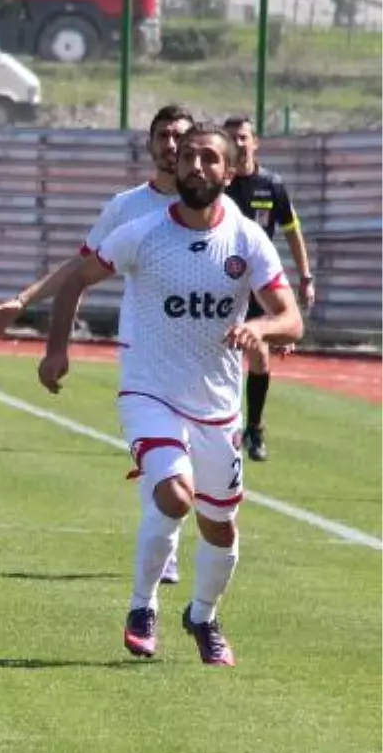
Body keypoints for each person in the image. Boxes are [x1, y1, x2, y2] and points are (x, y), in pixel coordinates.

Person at [38, 123, 304, 666]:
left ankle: (202, 616)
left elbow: (291, 318)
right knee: (173, 495)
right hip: (149, 390)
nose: (196, 166)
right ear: (175, 167)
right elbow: (75, 280)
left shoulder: (247, 240)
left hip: (217, 403)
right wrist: (55, 350)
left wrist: (262, 331)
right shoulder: (144, 232)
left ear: (229, 173)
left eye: (209, 158)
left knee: (220, 526)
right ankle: (143, 606)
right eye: (187, 157)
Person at [0, 103, 198, 585]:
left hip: (208, 357)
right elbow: (80, 267)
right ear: (150, 145)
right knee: (162, 453)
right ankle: (163, 551)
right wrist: (25, 300)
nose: (171, 145)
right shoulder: (127, 207)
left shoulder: (216, 206)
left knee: (199, 467)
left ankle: (177, 547)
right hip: (146, 353)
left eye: (180, 137)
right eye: (163, 135)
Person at [222, 117, 315, 462]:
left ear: (255, 142)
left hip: (259, 284)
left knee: (259, 354)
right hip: (225, 284)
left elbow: (291, 231)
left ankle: (254, 429)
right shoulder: (220, 184)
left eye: (243, 137)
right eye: (232, 138)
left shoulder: (272, 185)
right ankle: (214, 424)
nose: (239, 143)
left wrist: (305, 276)